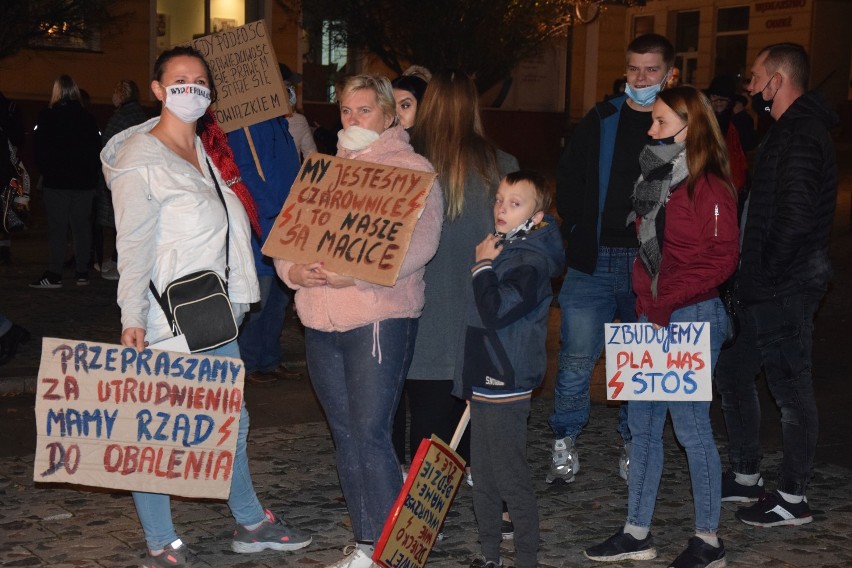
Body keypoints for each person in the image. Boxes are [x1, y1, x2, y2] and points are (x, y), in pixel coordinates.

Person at [101, 45, 311, 567]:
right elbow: (133, 249)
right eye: (179, 80)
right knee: (159, 430)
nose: (190, 88)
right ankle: (160, 541)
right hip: (168, 322)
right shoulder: (139, 161)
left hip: (216, 316)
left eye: (199, 81)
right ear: (157, 90)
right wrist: (132, 320)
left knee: (228, 421)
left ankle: (249, 520)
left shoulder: (206, 154)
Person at [273, 74, 443, 568]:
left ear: (389, 115)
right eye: (346, 111)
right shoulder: (322, 171)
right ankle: (367, 541)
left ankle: (394, 552)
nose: (353, 119)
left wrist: (358, 276)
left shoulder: (411, 169)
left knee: (370, 432)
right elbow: (291, 236)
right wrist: (294, 271)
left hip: (377, 318)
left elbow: (420, 246)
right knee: (345, 433)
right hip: (321, 320)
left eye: (364, 110)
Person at [585, 85, 738, 568]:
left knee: (691, 429)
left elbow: (720, 261)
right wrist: (645, 295)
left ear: (691, 128)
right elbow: (650, 253)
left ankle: (708, 540)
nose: (650, 130)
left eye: (661, 123)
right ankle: (636, 531)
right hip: (653, 312)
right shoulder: (658, 180)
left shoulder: (709, 186)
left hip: (690, 314)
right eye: (653, 122)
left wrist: (663, 300)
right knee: (644, 426)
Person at [715, 43, 839, 527]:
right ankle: (746, 474)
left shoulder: (802, 134)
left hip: (783, 286)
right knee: (733, 372)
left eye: (755, 77)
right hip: (761, 285)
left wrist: (763, 272)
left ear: (777, 80)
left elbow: (796, 219)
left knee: (790, 390)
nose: (749, 87)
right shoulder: (787, 131)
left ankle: (793, 497)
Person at [549, 33, 675, 484]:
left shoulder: (681, 123)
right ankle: (564, 437)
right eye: (634, 69)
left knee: (640, 359)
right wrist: (578, 230)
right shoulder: (600, 118)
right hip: (594, 259)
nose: (641, 78)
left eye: (651, 70)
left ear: (670, 74)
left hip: (649, 263)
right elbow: (568, 176)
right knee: (578, 356)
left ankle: (633, 440)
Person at [406, 70, 518, 491]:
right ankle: (482, 495)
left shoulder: (408, 164)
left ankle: (424, 504)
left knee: (428, 421)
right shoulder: (502, 167)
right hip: (479, 313)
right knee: (473, 419)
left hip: (423, 316)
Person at [461, 171, 564, 568]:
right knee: (483, 478)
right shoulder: (503, 247)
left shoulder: (531, 261)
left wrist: (482, 267)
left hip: (507, 382)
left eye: (515, 202)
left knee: (510, 478)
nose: (502, 208)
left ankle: (526, 560)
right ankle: (490, 557)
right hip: (486, 378)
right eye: (500, 200)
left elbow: (496, 310)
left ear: (536, 216)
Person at [228, 87, 303, 384]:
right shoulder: (245, 126)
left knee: (278, 301)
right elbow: (244, 172)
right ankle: (247, 362)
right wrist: (273, 208)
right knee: (259, 299)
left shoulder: (281, 124)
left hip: (286, 222)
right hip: (265, 224)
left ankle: (269, 360)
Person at [31, 74, 101, 288]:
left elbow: (39, 149)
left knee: (58, 228)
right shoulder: (87, 118)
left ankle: (55, 273)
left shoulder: (47, 116)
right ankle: (82, 272)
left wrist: (47, 170)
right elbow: (97, 148)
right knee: (81, 227)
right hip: (83, 182)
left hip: (57, 181)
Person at [96, 79, 149, 280]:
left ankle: (122, 264)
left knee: (124, 223)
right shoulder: (140, 115)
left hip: (122, 175)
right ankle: (119, 260)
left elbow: (108, 146)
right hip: (137, 175)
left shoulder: (121, 118)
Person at [705, 75, 749, 193]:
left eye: (723, 97)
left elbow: (748, 143)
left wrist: (740, 117)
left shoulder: (738, 121)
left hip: (732, 186)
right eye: (714, 96)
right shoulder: (703, 121)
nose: (718, 101)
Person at [280, 63, 317, 162]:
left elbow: (311, 157)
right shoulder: (298, 121)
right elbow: (312, 159)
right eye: (287, 85)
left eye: (291, 86)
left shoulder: (299, 121)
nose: (291, 90)